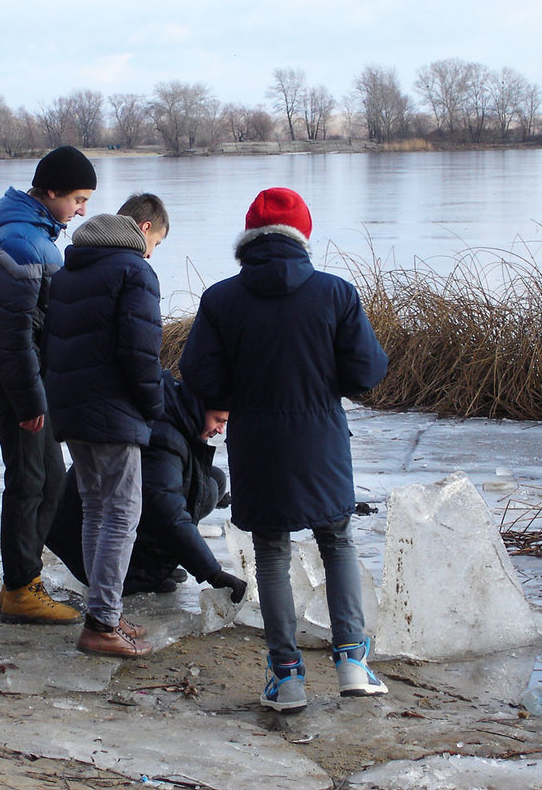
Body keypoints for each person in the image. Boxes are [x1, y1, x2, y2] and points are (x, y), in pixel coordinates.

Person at [178, 187, 390, 713]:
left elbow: (199, 373)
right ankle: (352, 663)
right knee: (337, 540)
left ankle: (287, 676)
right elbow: (365, 373)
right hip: (321, 439)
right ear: (303, 235)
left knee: (271, 552)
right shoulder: (336, 294)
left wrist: (234, 394)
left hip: (257, 442)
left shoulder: (221, 299)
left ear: (249, 236)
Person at [0, 146, 97, 625]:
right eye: (79, 199)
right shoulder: (23, 241)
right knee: (29, 479)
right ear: (52, 191)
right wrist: (28, 400)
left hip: (25, 374)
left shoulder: (34, 233)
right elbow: (8, 333)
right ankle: (20, 588)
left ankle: (24, 581)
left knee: (44, 477)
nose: (82, 210)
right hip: (14, 377)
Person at [42, 197, 168, 657]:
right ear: (144, 229)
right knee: (121, 513)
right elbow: (141, 353)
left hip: (72, 408)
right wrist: (154, 405)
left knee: (97, 507)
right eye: (154, 243)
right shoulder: (134, 272)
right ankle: (100, 623)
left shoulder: (70, 270)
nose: (152, 253)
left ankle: (106, 612)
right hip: (113, 411)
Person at [47, 371, 247, 601]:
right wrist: (213, 573)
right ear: (199, 407)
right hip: (91, 555)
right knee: (203, 491)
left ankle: (155, 563)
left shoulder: (170, 406)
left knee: (212, 481)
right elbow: (168, 513)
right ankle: (136, 573)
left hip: (82, 531)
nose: (221, 430)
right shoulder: (164, 437)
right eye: (219, 420)